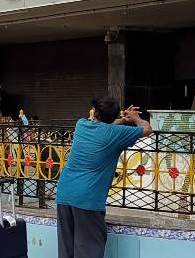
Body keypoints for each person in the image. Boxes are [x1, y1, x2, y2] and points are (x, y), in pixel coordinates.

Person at [54, 96, 153, 258]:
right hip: (88, 199)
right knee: (88, 251)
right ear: (112, 116)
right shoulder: (115, 134)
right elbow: (147, 129)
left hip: (64, 194)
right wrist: (136, 119)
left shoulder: (81, 125)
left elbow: (102, 126)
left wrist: (121, 120)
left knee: (66, 251)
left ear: (95, 112)